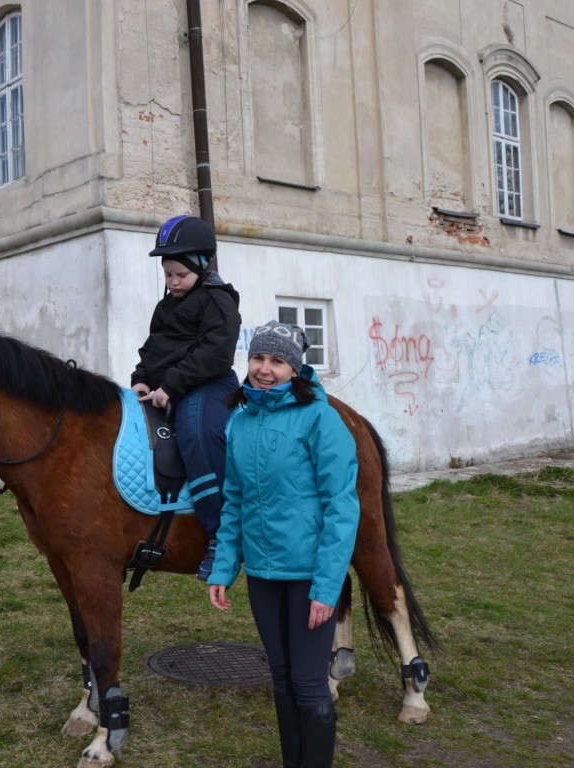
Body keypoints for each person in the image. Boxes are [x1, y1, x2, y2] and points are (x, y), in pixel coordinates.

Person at [207, 321, 360, 768]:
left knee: (310, 683)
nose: (265, 370)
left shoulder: (320, 417)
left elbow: (341, 507)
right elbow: (233, 501)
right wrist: (222, 568)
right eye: (258, 358)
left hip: (309, 575)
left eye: (277, 361)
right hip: (262, 574)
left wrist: (326, 587)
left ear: (295, 368)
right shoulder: (240, 421)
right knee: (281, 678)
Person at [131, 214, 242, 579]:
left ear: (201, 264)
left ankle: (221, 536)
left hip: (207, 385)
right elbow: (153, 348)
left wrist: (171, 385)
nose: (173, 282)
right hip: (168, 387)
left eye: (180, 274)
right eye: (168, 275)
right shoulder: (166, 306)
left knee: (198, 436)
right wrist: (142, 379)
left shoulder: (218, 299)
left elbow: (216, 352)